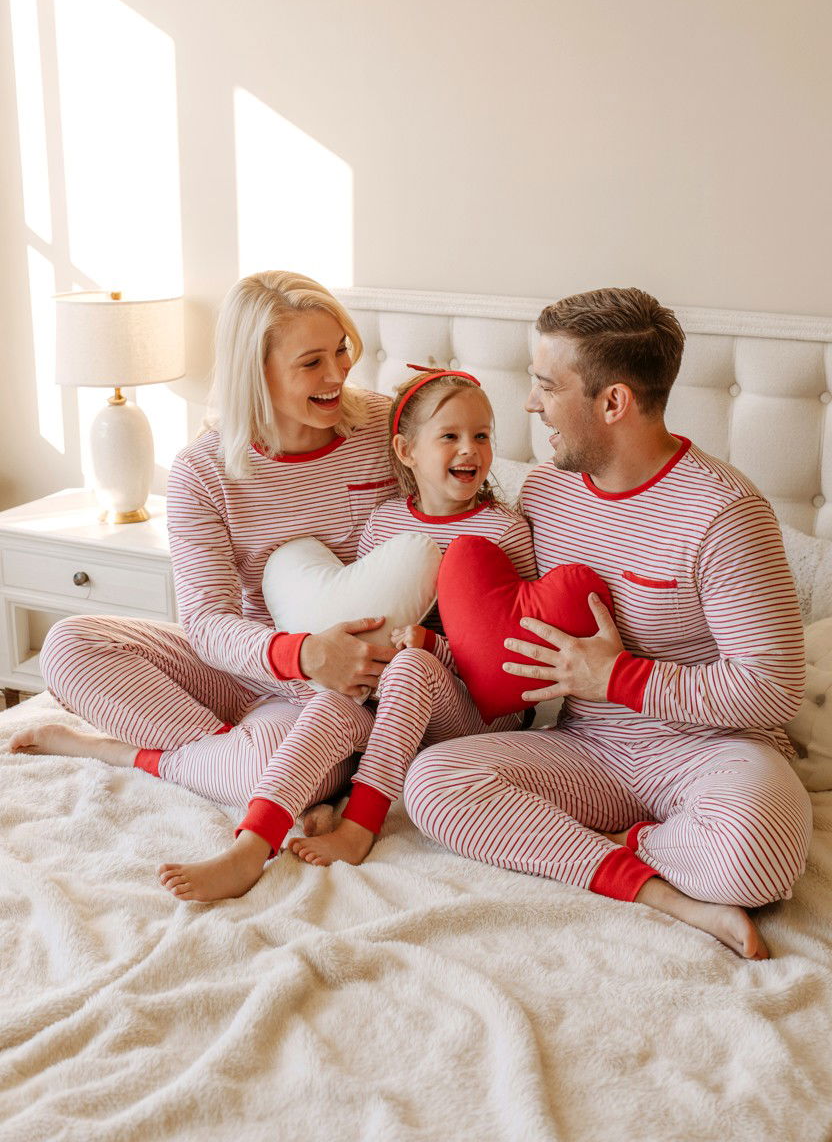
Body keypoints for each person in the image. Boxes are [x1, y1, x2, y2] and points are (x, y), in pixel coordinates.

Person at [402, 287, 812, 960]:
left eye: (545, 386)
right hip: (588, 752)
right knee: (433, 784)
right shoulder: (545, 492)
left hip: (706, 752)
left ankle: (621, 843)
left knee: (756, 862)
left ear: (612, 402)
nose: (531, 404)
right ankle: (656, 889)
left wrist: (619, 677)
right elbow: (502, 625)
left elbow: (771, 688)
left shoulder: (726, 515)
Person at [10, 271, 401, 885]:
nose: (338, 374)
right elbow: (206, 623)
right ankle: (237, 758)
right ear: (257, 371)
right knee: (67, 645)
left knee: (283, 751)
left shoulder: (383, 430)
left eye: (343, 349)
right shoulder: (204, 472)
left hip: (346, 688)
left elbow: (458, 447)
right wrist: (299, 654)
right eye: (311, 362)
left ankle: (135, 754)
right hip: (253, 665)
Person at [150, 366, 539, 899]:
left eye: (482, 435)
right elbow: (367, 610)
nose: (469, 449)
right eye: (449, 436)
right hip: (391, 703)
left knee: (410, 665)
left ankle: (362, 822)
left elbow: (509, 649)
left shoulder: (503, 531)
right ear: (405, 451)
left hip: (468, 709)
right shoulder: (383, 525)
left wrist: (433, 648)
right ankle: (250, 846)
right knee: (336, 697)